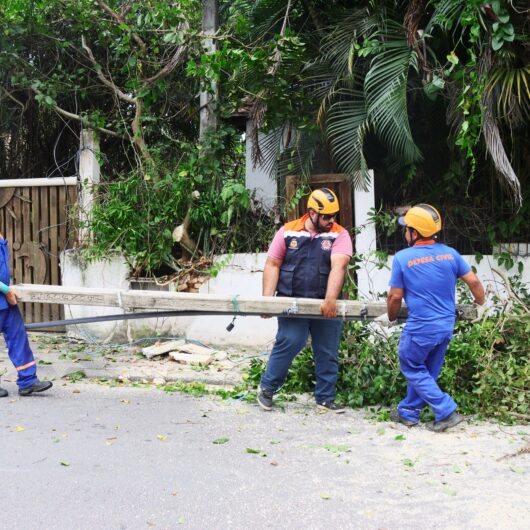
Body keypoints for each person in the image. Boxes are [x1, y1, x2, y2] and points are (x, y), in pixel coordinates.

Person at [381, 204, 484, 432]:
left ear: (415, 233)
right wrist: (481, 302)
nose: (404, 233)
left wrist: (391, 316)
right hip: (445, 327)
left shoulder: (402, 258)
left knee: (411, 365)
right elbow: (474, 282)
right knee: (425, 372)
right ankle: (408, 411)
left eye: (406, 229)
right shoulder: (451, 254)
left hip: (420, 329)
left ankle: (446, 411)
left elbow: (394, 297)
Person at [257, 188, 353, 413]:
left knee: (327, 350)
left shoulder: (340, 235)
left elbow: (338, 266)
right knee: (291, 340)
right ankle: (267, 388)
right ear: (311, 213)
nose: (331, 220)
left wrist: (330, 300)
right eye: (326, 216)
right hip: (292, 302)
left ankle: (325, 398)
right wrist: (267, 301)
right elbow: (272, 264)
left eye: (334, 216)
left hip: (325, 305)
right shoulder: (288, 232)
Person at [0, 233, 53, 397]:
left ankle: (28, 381)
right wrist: (6, 290)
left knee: (18, 338)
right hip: (4, 294)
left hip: (5, 301)